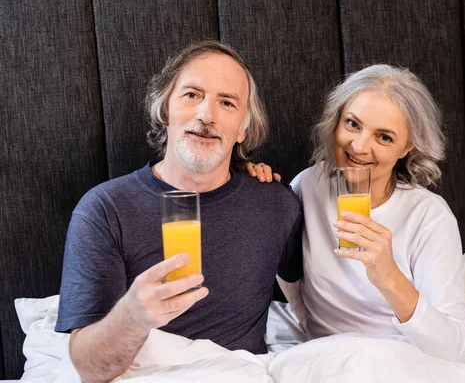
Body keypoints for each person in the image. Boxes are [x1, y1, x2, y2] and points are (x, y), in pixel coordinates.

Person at [56, 41, 303, 382]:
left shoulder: (276, 204)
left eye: (227, 102)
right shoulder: (105, 209)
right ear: (165, 110)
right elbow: (89, 368)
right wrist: (132, 316)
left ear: (242, 130)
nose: (206, 115)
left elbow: (302, 291)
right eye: (191, 95)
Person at [248, 64, 465, 362]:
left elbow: (454, 351)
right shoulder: (308, 185)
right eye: (353, 124)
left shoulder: (429, 216)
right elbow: (284, 263)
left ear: (407, 147)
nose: (360, 146)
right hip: (323, 358)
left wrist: (389, 276)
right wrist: (253, 186)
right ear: (336, 120)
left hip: (401, 362)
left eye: (385, 137)